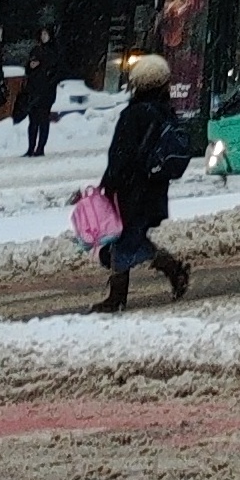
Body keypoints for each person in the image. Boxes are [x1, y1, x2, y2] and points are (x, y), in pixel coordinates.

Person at [91, 56, 191, 312]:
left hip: (131, 190)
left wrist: (109, 184)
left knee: (124, 241)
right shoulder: (163, 111)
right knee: (129, 239)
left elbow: (121, 155)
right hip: (152, 189)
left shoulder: (134, 114)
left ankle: (118, 296)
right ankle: (172, 269)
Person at [15, 29, 61, 158]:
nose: (43, 37)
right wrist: (31, 66)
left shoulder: (54, 51)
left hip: (46, 92)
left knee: (43, 120)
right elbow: (28, 69)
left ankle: (40, 148)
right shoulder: (36, 50)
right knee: (33, 121)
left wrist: (48, 78)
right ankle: (31, 147)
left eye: (46, 34)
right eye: (42, 34)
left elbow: (57, 71)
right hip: (33, 90)